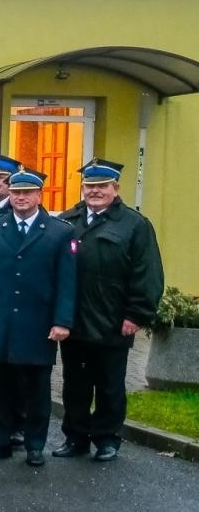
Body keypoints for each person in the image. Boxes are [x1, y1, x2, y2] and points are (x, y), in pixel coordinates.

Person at [55, 158, 163, 462]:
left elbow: (148, 272)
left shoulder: (134, 224)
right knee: (74, 384)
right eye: (90, 186)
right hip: (73, 319)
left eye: (102, 186)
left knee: (110, 384)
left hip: (113, 320)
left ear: (115, 188)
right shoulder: (67, 221)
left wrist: (137, 314)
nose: (95, 191)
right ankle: (75, 437)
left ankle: (107, 438)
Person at [0, 169, 76, 467]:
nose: (21, 198)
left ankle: (35, 445)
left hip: (37, 322)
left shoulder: (59, 231)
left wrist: (62, 321)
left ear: (39, 195)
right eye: (16, 193)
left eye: (27, 193)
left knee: (36, 389)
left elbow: (67, 282)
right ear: (9, 194)